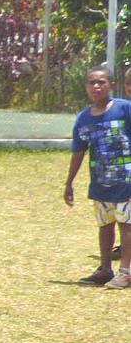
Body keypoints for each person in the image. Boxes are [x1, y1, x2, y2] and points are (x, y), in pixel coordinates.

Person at [64, 66, 131, 287]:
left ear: (111, 84)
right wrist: (69, 182)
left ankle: (125, 271)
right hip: (101, 183)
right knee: (105, 224)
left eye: (101, 82)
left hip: (126, 181)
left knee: (127, 224)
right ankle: (105, 269)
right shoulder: (83, 119)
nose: (96, 86)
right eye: (91, 82)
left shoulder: (124, 109)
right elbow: (79, 151)